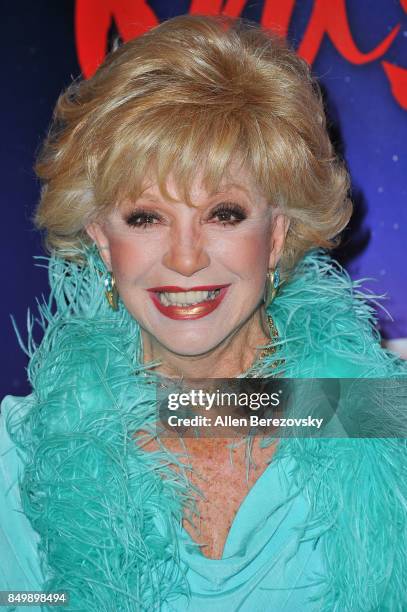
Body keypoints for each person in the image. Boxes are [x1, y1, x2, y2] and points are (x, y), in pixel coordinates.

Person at [1, 14, 406, 611]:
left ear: (276, 234)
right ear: (101, 239)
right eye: (145, 217)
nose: (186, 259)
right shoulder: (31, 448)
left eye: (224, 213)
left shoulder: (379, 419)